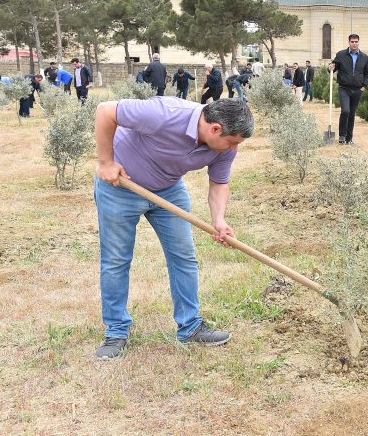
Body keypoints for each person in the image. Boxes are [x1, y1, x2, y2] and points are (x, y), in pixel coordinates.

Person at [93, 97, 255, 360]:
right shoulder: (165, 114)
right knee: (116, 259)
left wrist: (219, 220)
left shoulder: (225, 148)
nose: (233, 148)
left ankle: (190, 326)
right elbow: (105, 110)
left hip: (168, 190)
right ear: (215, 129)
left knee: (183, 256)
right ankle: (116, 331)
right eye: (233, 141)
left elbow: (219, 184)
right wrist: (105, 162)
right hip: (120, 187)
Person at [329, 34, 368, 145]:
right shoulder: (341, 55)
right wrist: (330, 68)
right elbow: (333, 67)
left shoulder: (364, 57)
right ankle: (342, 136)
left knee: (352, 114)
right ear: (349, 42)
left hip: (357, 90)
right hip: (344, 88)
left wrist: (364, 86)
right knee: (345, 111)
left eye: (356, 41)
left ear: (359, 42)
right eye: (352, 41)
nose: (354, 43)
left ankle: (349, 139)